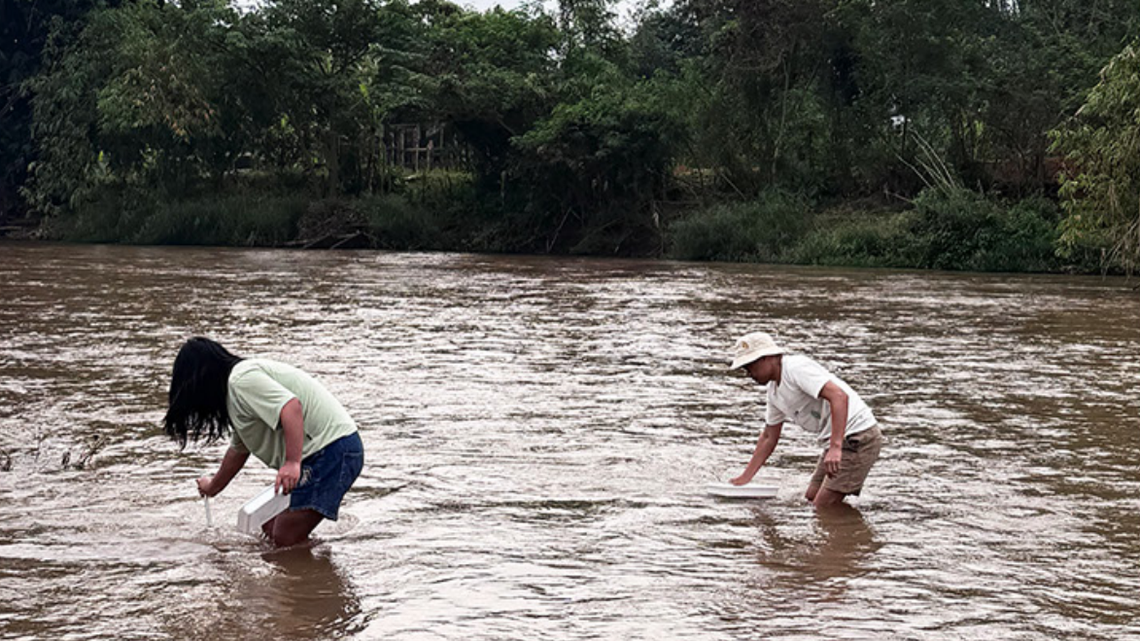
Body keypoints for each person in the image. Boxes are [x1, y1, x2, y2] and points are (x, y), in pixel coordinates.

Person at [163, 337, 364, 547]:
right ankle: (314, 567)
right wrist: (212, 487)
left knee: (285, 536)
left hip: (333, 449)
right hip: (326, 452)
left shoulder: (241, 379)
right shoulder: (235, 397)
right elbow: (238, 450)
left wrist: (292, 463)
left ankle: (318, 571)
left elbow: (290, 407)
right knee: (268, 527)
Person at [728, 331, 882, 508]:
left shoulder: (795, 368)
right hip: (836, 441)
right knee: (810, 498)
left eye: (750, 366)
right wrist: (745, 477)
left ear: (767, 358)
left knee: (822, 508)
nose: (749, 374)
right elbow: (769, 437)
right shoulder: (774, 392)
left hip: (858, 437)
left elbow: (839, 396)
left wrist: (835, 447)